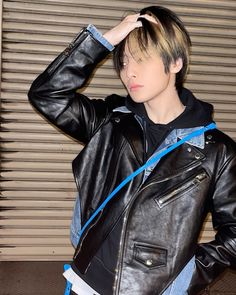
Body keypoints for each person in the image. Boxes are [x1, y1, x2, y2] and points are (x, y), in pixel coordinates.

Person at [28, 5, 236, 295]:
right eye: (124, 62)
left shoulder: (218, 152)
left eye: (142, 59)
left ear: (175, 62)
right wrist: (107, 39)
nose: (129, 72)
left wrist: (186, 276)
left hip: (153, 289)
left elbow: (234, 234)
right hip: (86, 280)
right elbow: (46, 95)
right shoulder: (111, 120)